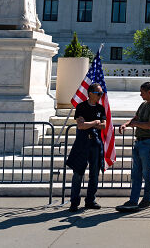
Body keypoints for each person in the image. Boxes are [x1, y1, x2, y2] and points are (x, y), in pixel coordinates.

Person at [117, 81, 150, 211]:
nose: (140, 95)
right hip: (140, 141)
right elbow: (135, 118)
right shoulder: (144, 104)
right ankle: (133, 200)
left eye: (142, 92)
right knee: (136, 173)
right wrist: (126, 124)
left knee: (147, 172)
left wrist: (134, 124)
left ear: (149, 92)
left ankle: (147, 199)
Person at [65, 82, 106, 212]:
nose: (100, 95)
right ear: (90, 93)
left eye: (101, 93)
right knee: (78, 173)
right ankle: (74, 202)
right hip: (82, 144)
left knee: (94, 174)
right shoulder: (81, 107)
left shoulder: (100, 108)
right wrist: (94, 122)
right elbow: (81, 125)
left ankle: (90, 200)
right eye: (98, 93)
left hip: (95, 144)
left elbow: (104, 125)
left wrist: (89, 124)